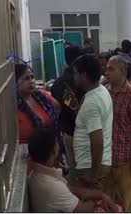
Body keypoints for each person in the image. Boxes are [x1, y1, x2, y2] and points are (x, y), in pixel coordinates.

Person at [27, 128, 119, 213]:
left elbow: (71, 189)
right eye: (56, 142)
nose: (58, 144)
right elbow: (83, 209)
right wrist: (98, 203)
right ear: (53, 151)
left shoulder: (36, 172)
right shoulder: (53, 186)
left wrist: (101, 195)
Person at [66, 54, 113, 191]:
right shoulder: (101, 90)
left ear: (84, 75)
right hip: (96, 162)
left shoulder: (92, 102)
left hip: (90, 165)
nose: (74, 77)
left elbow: (97, 141)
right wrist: (75, 107)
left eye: (76, 73)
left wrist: (93, 174)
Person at [104, 55, 131, 212]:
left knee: (126, 203)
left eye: (111, 69)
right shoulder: (105, 92)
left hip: (126, 160)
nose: (106, 72)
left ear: (123, 72)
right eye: (106, 68)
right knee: (108, 204)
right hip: (107, 159)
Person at [51, 46, 84, 181]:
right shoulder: (80, 80)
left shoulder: (60, 81)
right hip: (82, 131)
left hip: (69, 130)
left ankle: (77, 195)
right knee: (83, 169)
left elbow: (56, 97)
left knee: (74, 167)